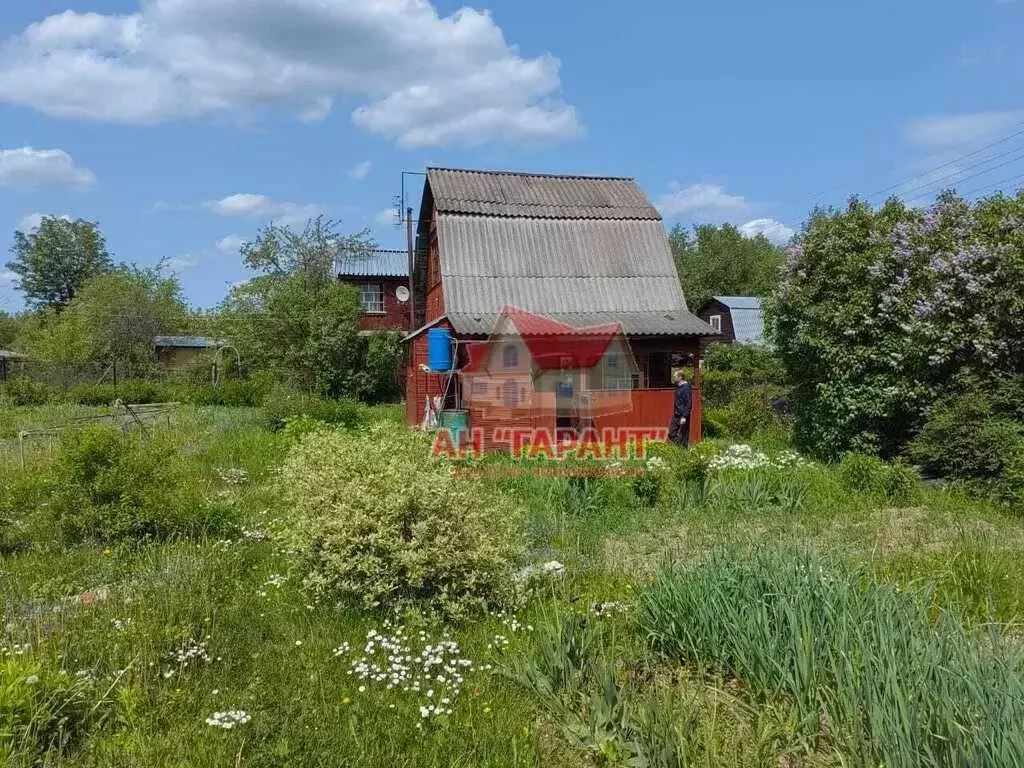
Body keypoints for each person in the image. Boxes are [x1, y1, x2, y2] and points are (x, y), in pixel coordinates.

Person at [668, 368, 692, 447]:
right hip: (676, 414)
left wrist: (684, 416)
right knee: (671, 433)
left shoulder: (686, 387)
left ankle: (683, 452)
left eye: (675, 376)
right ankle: (679, 445)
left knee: (684, 435)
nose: (674, 377)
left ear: (680, 377)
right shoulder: (678, 387)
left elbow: (688, 403)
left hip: (683, 415)